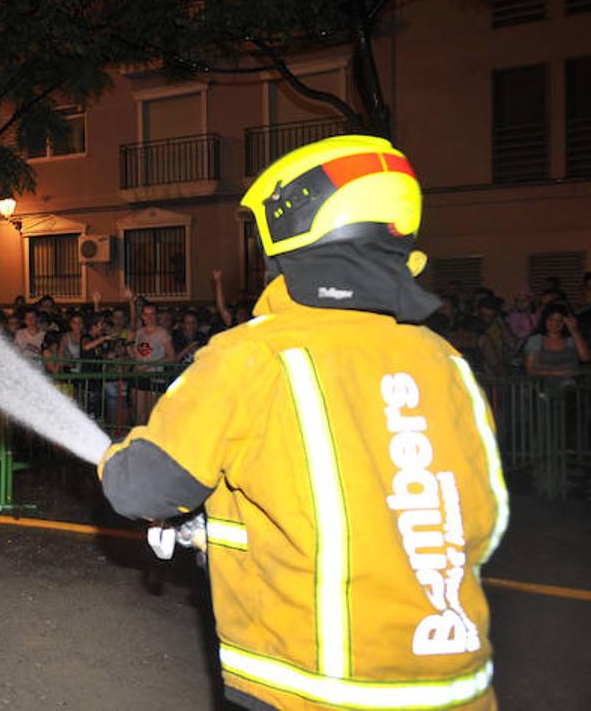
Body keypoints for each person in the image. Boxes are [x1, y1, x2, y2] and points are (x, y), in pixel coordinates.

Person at [97, 135, 508, 710]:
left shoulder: (254, 355)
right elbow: (479, 521)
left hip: (311, 684)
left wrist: (116, 458)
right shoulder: (446, 363)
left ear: (286, 238)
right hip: (457, 687)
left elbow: (139, 487)